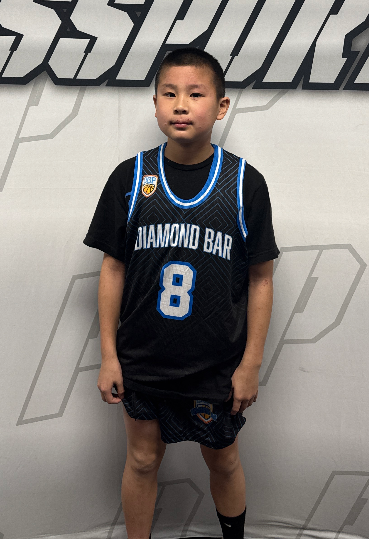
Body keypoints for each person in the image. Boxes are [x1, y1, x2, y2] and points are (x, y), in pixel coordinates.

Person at [83, 47, 279, 539]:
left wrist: (251, 364)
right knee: (142, 459)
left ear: (221, 106)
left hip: (215, 364)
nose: (181, 105)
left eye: (196, 94)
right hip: (144, 359)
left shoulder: (244, 184)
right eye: (169, 94)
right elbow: (112, 269)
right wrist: (109, 356)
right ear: (155, 104)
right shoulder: (131, 178)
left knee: (225, 461)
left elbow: (261, 278)